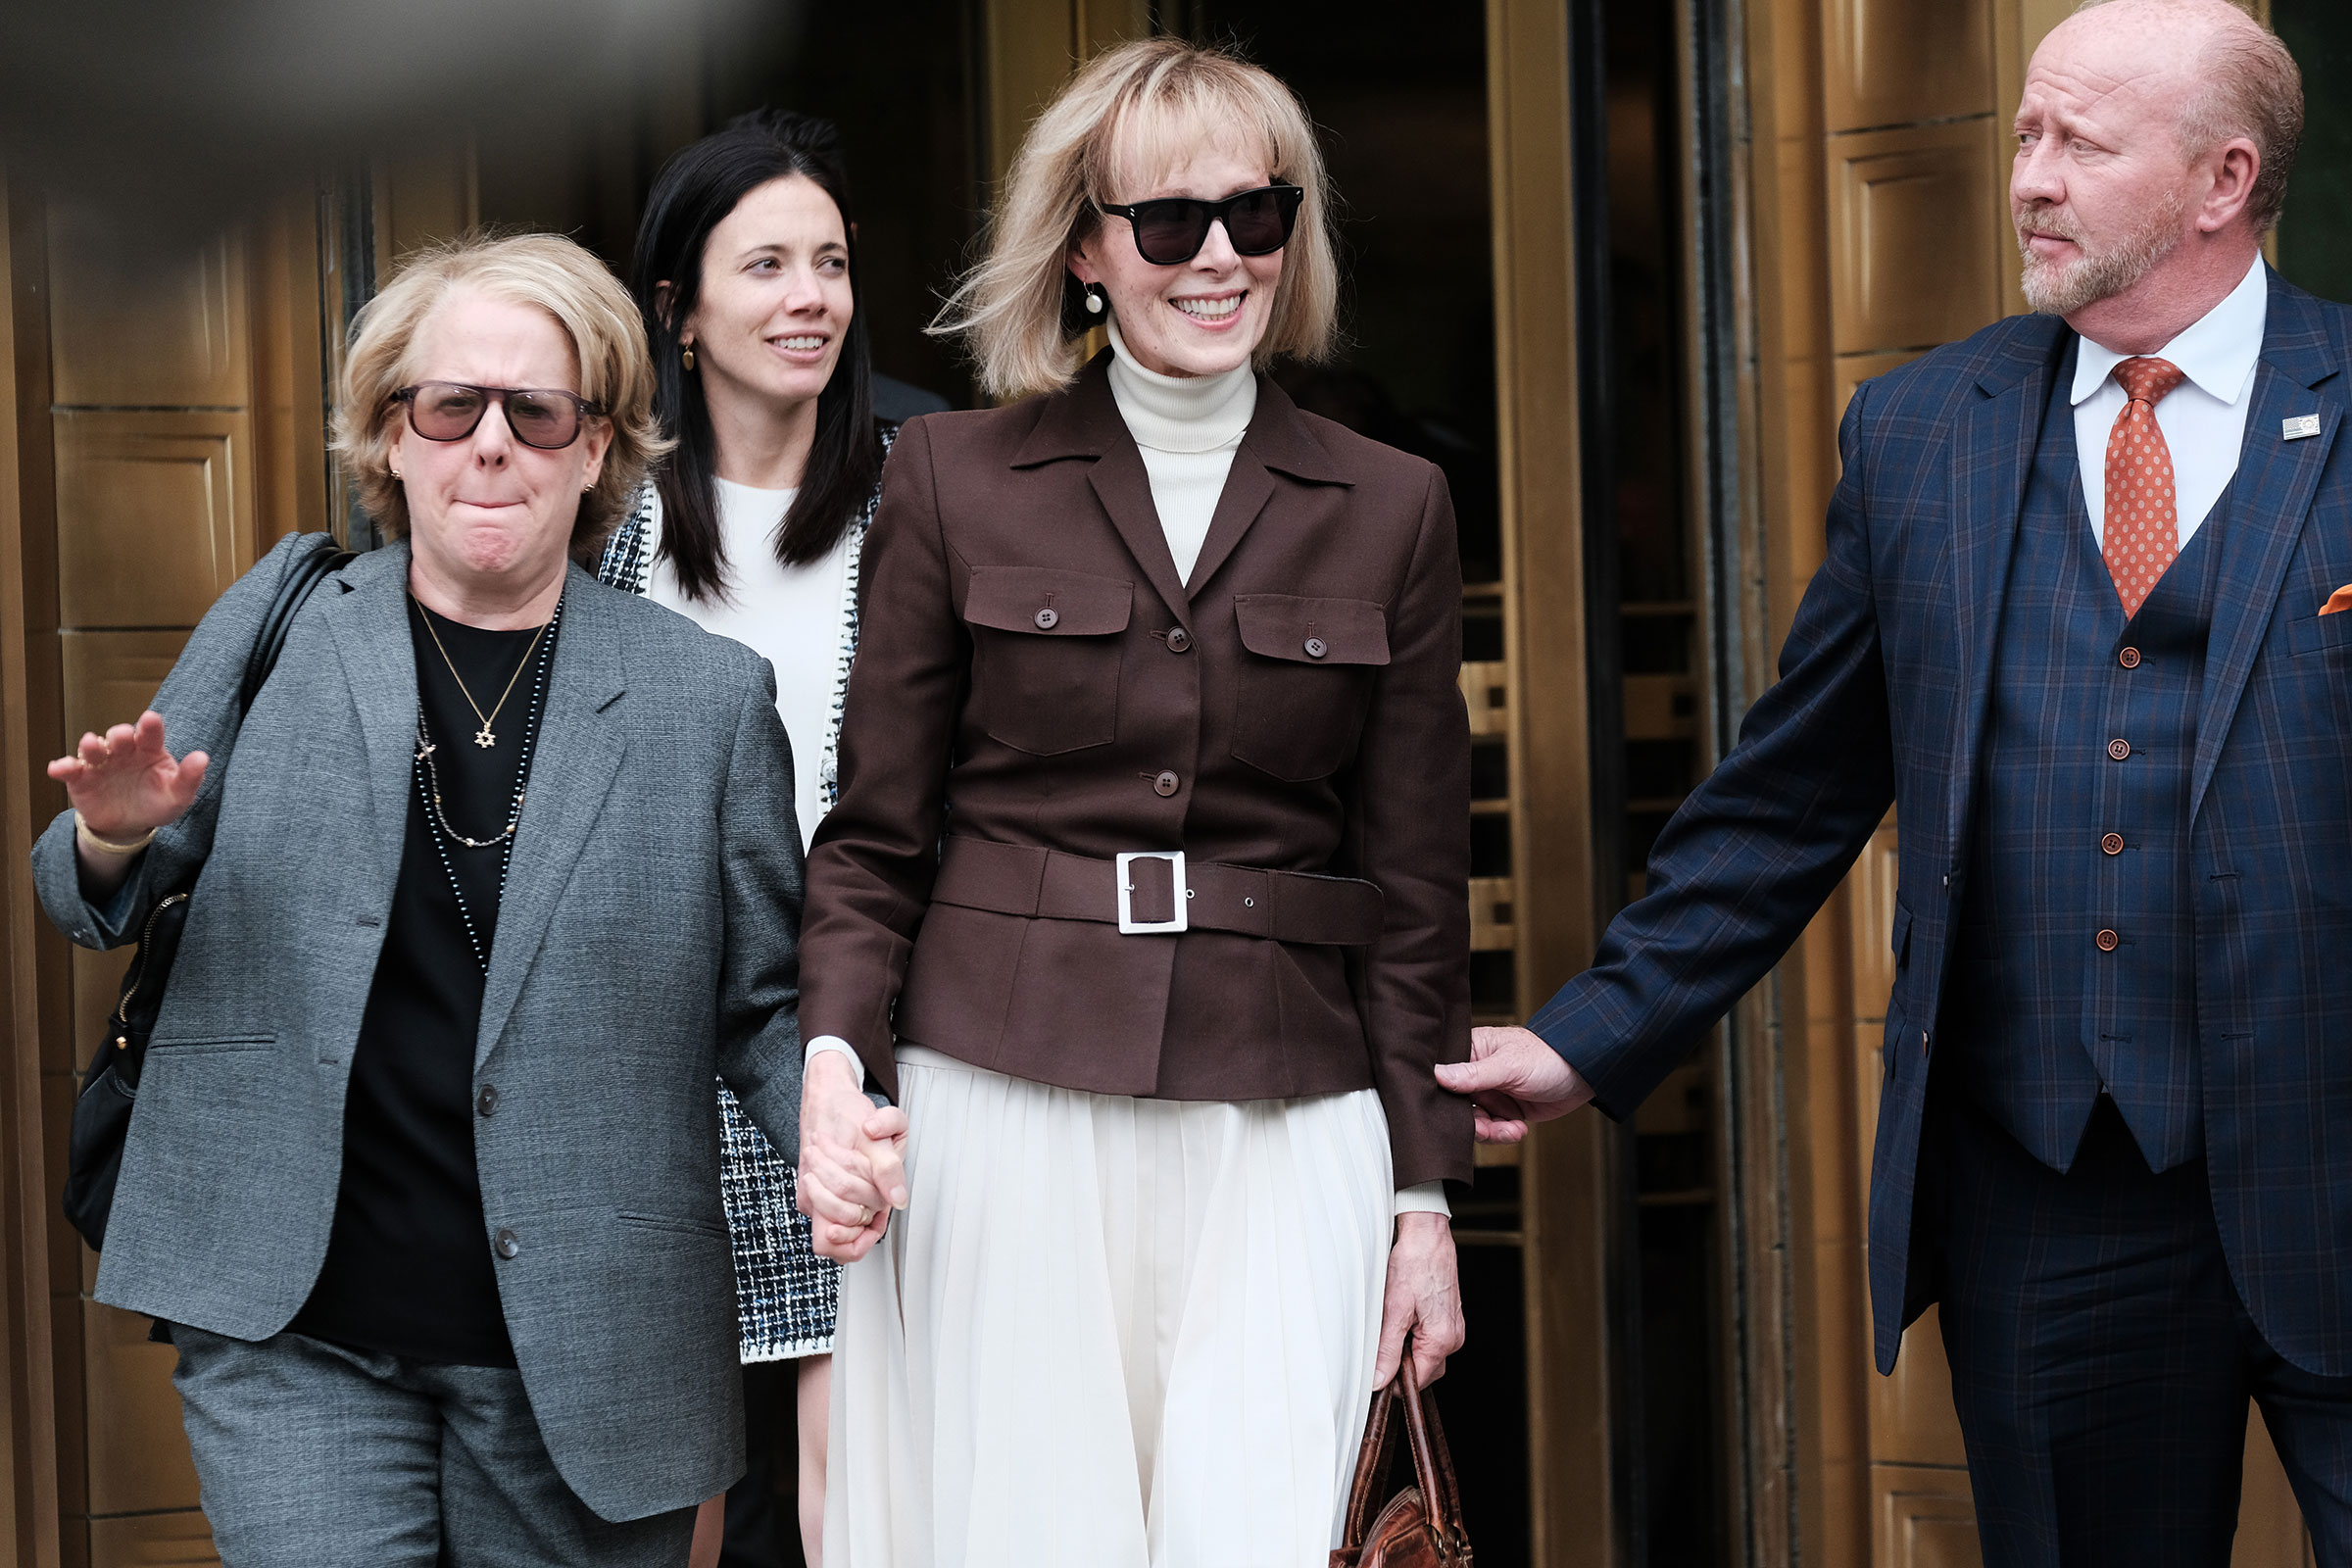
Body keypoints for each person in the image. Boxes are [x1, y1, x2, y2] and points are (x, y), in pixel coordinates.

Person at [1446, 1, 2352, 1560]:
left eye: (2083, 142)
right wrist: (1589, 1040)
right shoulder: (1924, 430)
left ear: (2223, 180)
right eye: (2024, 133)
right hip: (2051, 1187)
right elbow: (1790, 798)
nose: (2030, 178)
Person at [793, 35, 1474, 1567]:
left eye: (1258, 213)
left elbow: (1420, 881)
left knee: (1272, 1529)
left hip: (1288, 1114)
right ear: (1089, 250)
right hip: (1002, 1096)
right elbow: (875, 837)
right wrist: (836, 1060)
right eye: (1169, 223)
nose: (1218, 256)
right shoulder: (952, 479)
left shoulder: (1394, 505)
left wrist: (1423, 1196)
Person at [34, 232, 808, 1567]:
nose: (489, 444)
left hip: (586, 1351)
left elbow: (767, 1004)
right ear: (391, 437)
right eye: (450, 406)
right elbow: (83, 896)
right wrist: (113, 837)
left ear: (594, 444)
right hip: (300, 1330)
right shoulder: (286, 626)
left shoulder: (706, 700)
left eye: (536, 410)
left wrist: (846, 1131)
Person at [600, 108, 899, 1568]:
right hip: (645, 1067)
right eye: (766, 263)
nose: (808, 298)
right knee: (678, 1510)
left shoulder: (926, 500)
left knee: (866, 1501)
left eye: (831, 263)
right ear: (681, 308)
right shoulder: (604, 526)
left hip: (865, 1053)